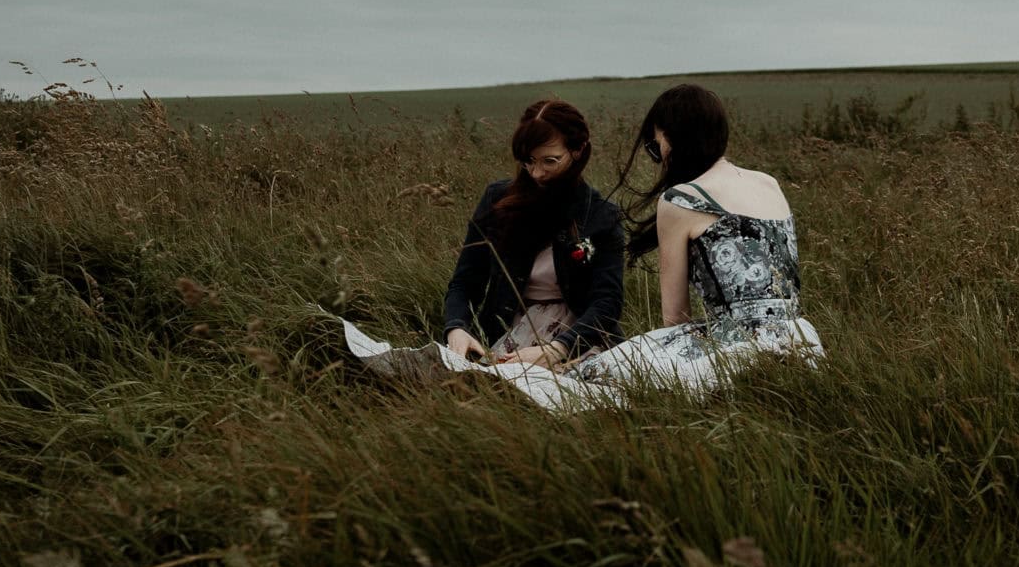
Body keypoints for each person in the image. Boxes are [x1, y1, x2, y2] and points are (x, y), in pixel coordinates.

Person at [561, 82, 824, 392]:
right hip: (800, 341)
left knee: (593, 375)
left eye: (655, 143)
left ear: (672, 140)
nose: (657, 154)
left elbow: (675, 317)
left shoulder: (681, 199)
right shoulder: (769, 183)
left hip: (735, 348)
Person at [343, 99, 623, 387]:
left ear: (577, 151)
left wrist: (556, 349)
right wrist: (457, 328)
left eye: (550, 161)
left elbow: (607, 301)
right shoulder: (497, 200)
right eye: (528, 161)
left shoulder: (602, 215)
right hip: (507, 327)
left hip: (577, 338)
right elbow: (465, 281)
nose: (537, 173)